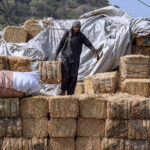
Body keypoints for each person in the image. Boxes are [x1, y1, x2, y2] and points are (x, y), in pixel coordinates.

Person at [53, 20, 99, 95]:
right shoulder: (67, 33)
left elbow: (88, 44)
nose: (77, 29)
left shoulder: (81, 36)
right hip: (65, 56)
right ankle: (62, 89)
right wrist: (56, 53)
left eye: (79, 27)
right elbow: (61, 43)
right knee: (65, 72)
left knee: (73, 75)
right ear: (73, 27)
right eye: (76, 27)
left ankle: (70, 92)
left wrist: (95, 51)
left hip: (75, 58)